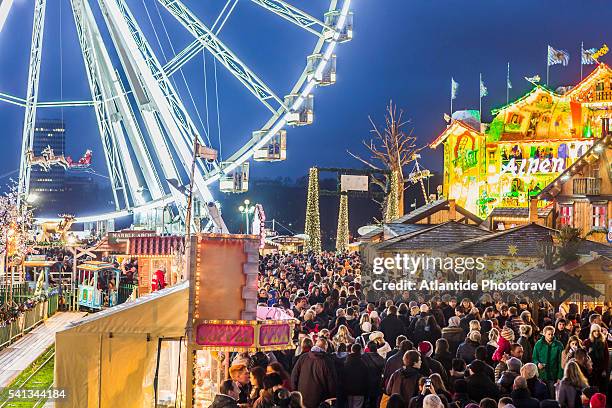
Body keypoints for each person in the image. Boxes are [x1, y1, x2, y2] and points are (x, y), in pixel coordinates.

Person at [291, 338, 337, 408]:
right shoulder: (327, 361)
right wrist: (332, 397)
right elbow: (332, 382)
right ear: (325, 347)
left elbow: (294, 376)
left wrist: (295, 393)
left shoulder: (303, 357)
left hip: (302, 397)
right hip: (320, 399)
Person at [531, 326, 563, 395]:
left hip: (553, 375)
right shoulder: (538, 344)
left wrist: (559, 377)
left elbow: (561, 362)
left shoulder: (559, 345)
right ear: (544, 334)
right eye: (549, 334)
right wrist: (537, 364)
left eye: (552, 334)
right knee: (540, 395)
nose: (551, 336)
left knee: (552, 395)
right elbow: (534, 358)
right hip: (541, 375)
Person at [581, 324, 609, 392]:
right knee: (591, 387)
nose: (596, 333)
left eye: (598, 331)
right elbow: (583, 356)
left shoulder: (603, 341)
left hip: (600, 367)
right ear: (591, 332)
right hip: (590, 368)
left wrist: (605, 369)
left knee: (601, 387)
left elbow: (606, 356)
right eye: (594, 331)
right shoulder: (587, 342)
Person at [342, 343, 369, 408]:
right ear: (360, 351)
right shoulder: (363, 363)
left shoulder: (345, 363)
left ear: (351, 350)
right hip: (359, 391)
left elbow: (342, 377)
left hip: (348, 390)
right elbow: (366, 378)